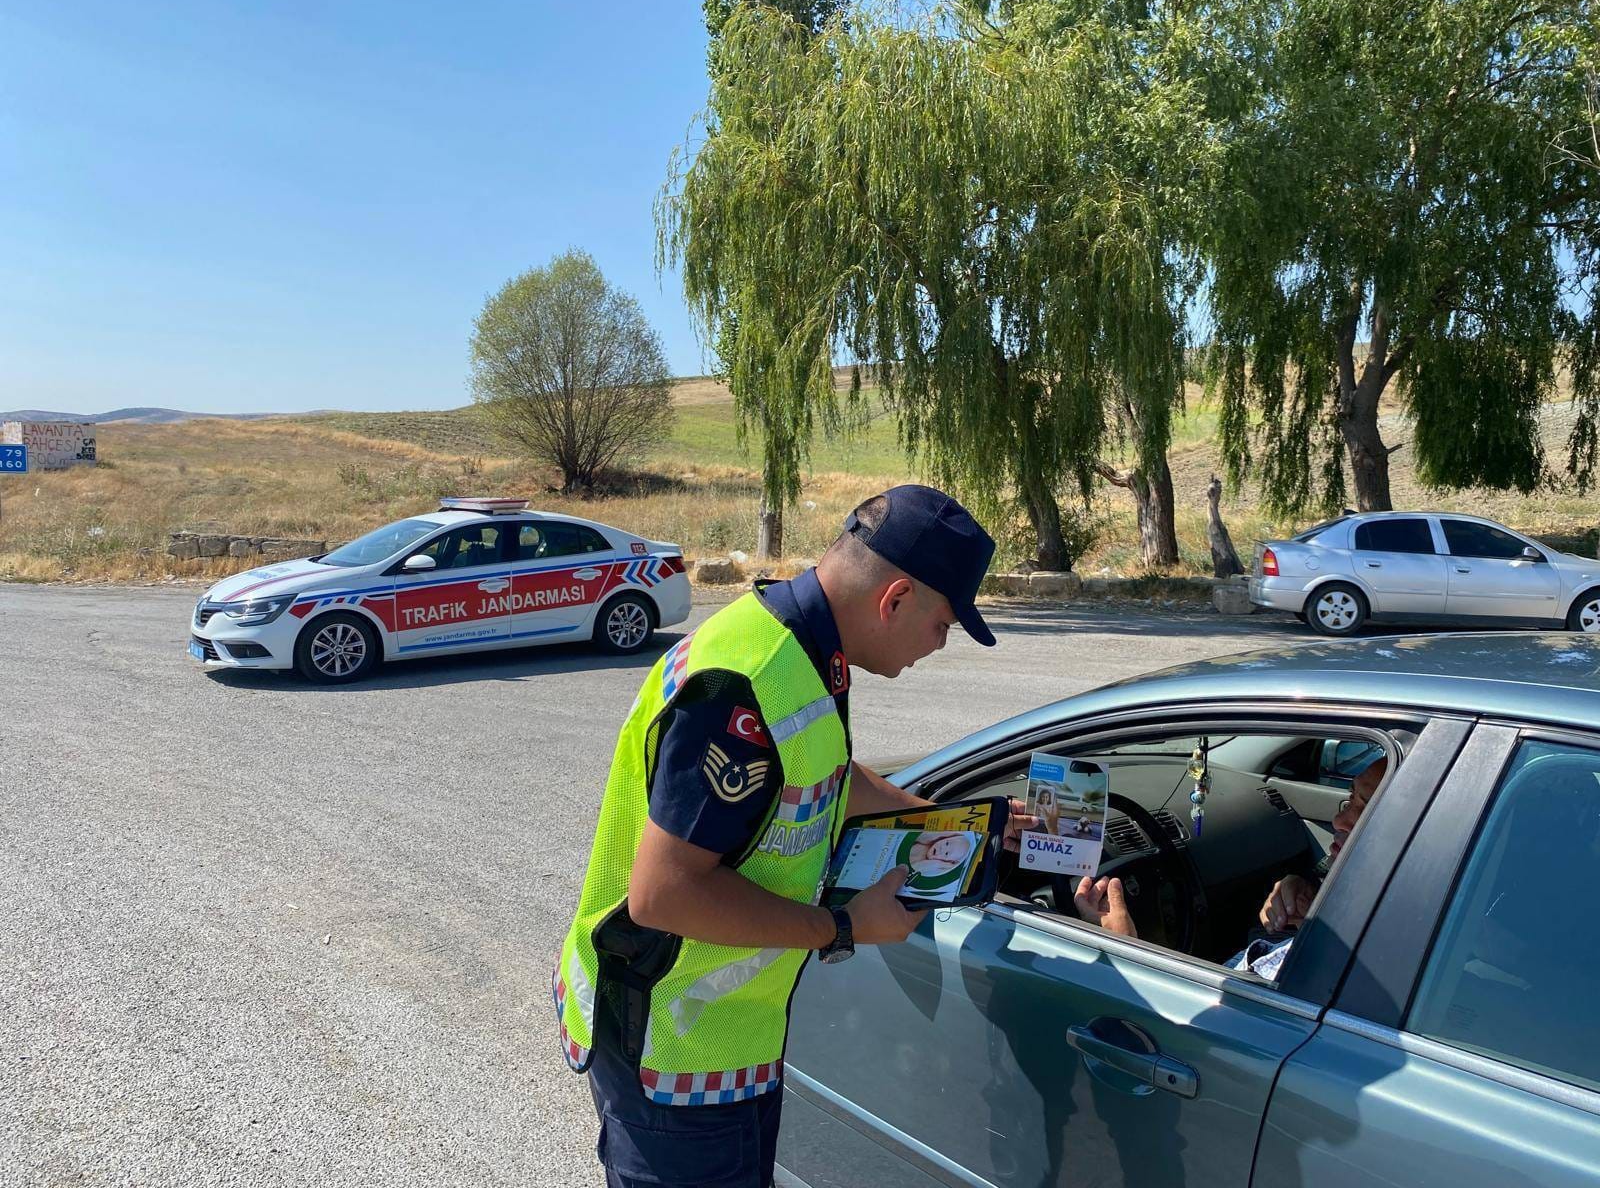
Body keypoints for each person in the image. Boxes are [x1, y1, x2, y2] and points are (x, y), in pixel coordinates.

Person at [552, 485, 1030, 1188]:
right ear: (894, 599)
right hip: (670, 1052)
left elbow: (825, 771)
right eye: (944, 622)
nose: (941, 642)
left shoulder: (801, 645)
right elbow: (662, 893)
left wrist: (945, 820)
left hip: (725, 1046)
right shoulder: (743, 685)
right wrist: (840, 926)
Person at [1072, 757, 1388, 981]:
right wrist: (1314, 906)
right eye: (1349, 802)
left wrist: (1124, 947)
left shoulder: (1315, 971)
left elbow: (1196, 1042)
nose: (1339, 821)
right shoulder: (1395, 929)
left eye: (1366, 808)